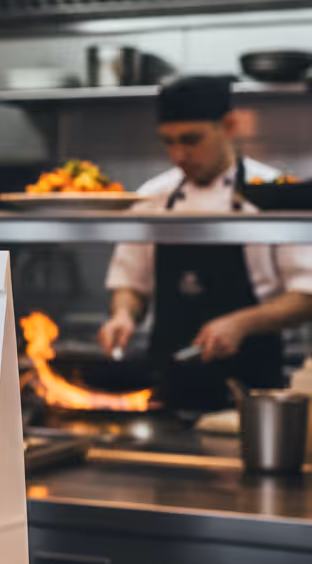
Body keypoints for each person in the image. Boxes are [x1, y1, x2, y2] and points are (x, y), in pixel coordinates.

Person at [98, 75, 312, 410]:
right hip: (167, 387)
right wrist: (124, 315)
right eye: (168, 142)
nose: (178, 155)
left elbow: (305, 296)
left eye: (191, 140)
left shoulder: (273, 193)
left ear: (229, 126)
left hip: (251, 394)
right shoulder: (152, 197)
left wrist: (241, 323)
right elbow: (130, 283)